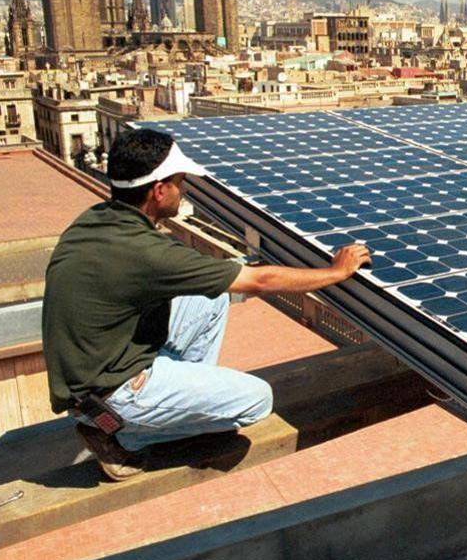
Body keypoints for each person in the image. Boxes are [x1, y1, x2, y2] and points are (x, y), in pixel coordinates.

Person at [42, 129, 371, 481]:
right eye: (180, 182)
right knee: (257, 400)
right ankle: (123, 432)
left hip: (93, 368)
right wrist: (335, 272)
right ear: (159, 190)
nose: (182, 190)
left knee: (209, 298)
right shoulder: (146, 252)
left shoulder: (96, 219)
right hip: (110, 393)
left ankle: (180, 410)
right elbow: (258, 281)